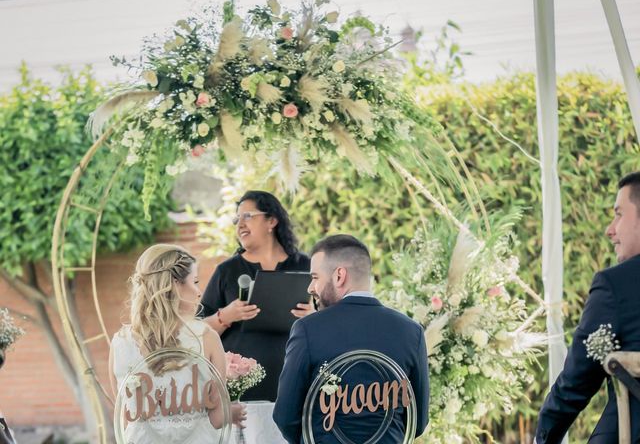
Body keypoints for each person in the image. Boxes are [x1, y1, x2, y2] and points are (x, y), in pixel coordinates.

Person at [273, 234, 429, 444]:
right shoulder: (412, 332)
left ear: (339, 276)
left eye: (315, 277)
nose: (310, 288)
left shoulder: (308, 329)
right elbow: (417, 421)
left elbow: (285, 415)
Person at [536, 172, 640, 443]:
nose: (610, 229)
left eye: (619, 214)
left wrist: (544, 437)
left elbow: (575, 382)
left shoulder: (616, 286)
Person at [108, 244, 245, 444]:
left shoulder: (120, 343)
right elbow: (216, 418)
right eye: (195, 281)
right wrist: (233, 412)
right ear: (174, 284)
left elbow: (125, 417)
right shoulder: (206, 338)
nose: (199, 292)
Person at [200, 190, 312, 402]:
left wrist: (314, 316)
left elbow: (329, 321)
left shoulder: (306, 266)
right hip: (240, 392)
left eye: (247, 216)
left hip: (295, 386)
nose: (239, 224)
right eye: (237, 219)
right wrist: (225, 316)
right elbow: (197, 331)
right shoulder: (226, 271)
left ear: (272, 220)